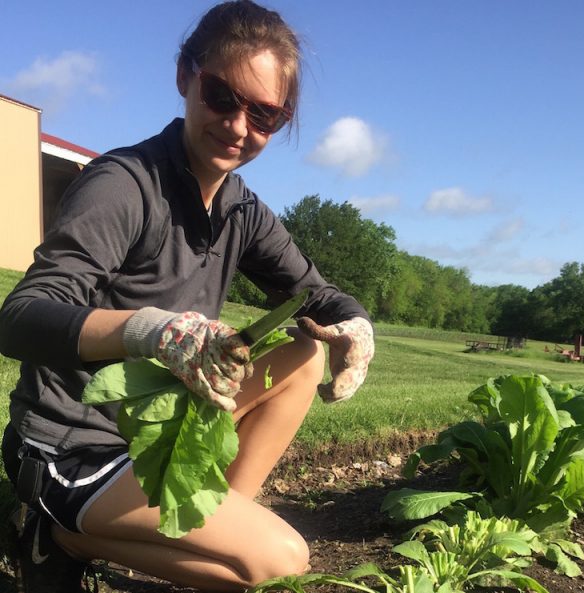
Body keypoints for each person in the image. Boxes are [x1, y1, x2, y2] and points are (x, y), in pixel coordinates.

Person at [0, 2, 374, 591]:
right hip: (73, 448)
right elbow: (19, 319)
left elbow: (315, 293)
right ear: (185, 76)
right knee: (279, 563)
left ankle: (204, 525)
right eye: (222, 96)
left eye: (265, 114)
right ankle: (58, 534)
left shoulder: (240, 209)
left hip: (160, 433)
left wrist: (355, 325)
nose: (238, 126)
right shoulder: (124, 185)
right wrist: (151, 330)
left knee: (304, 357)